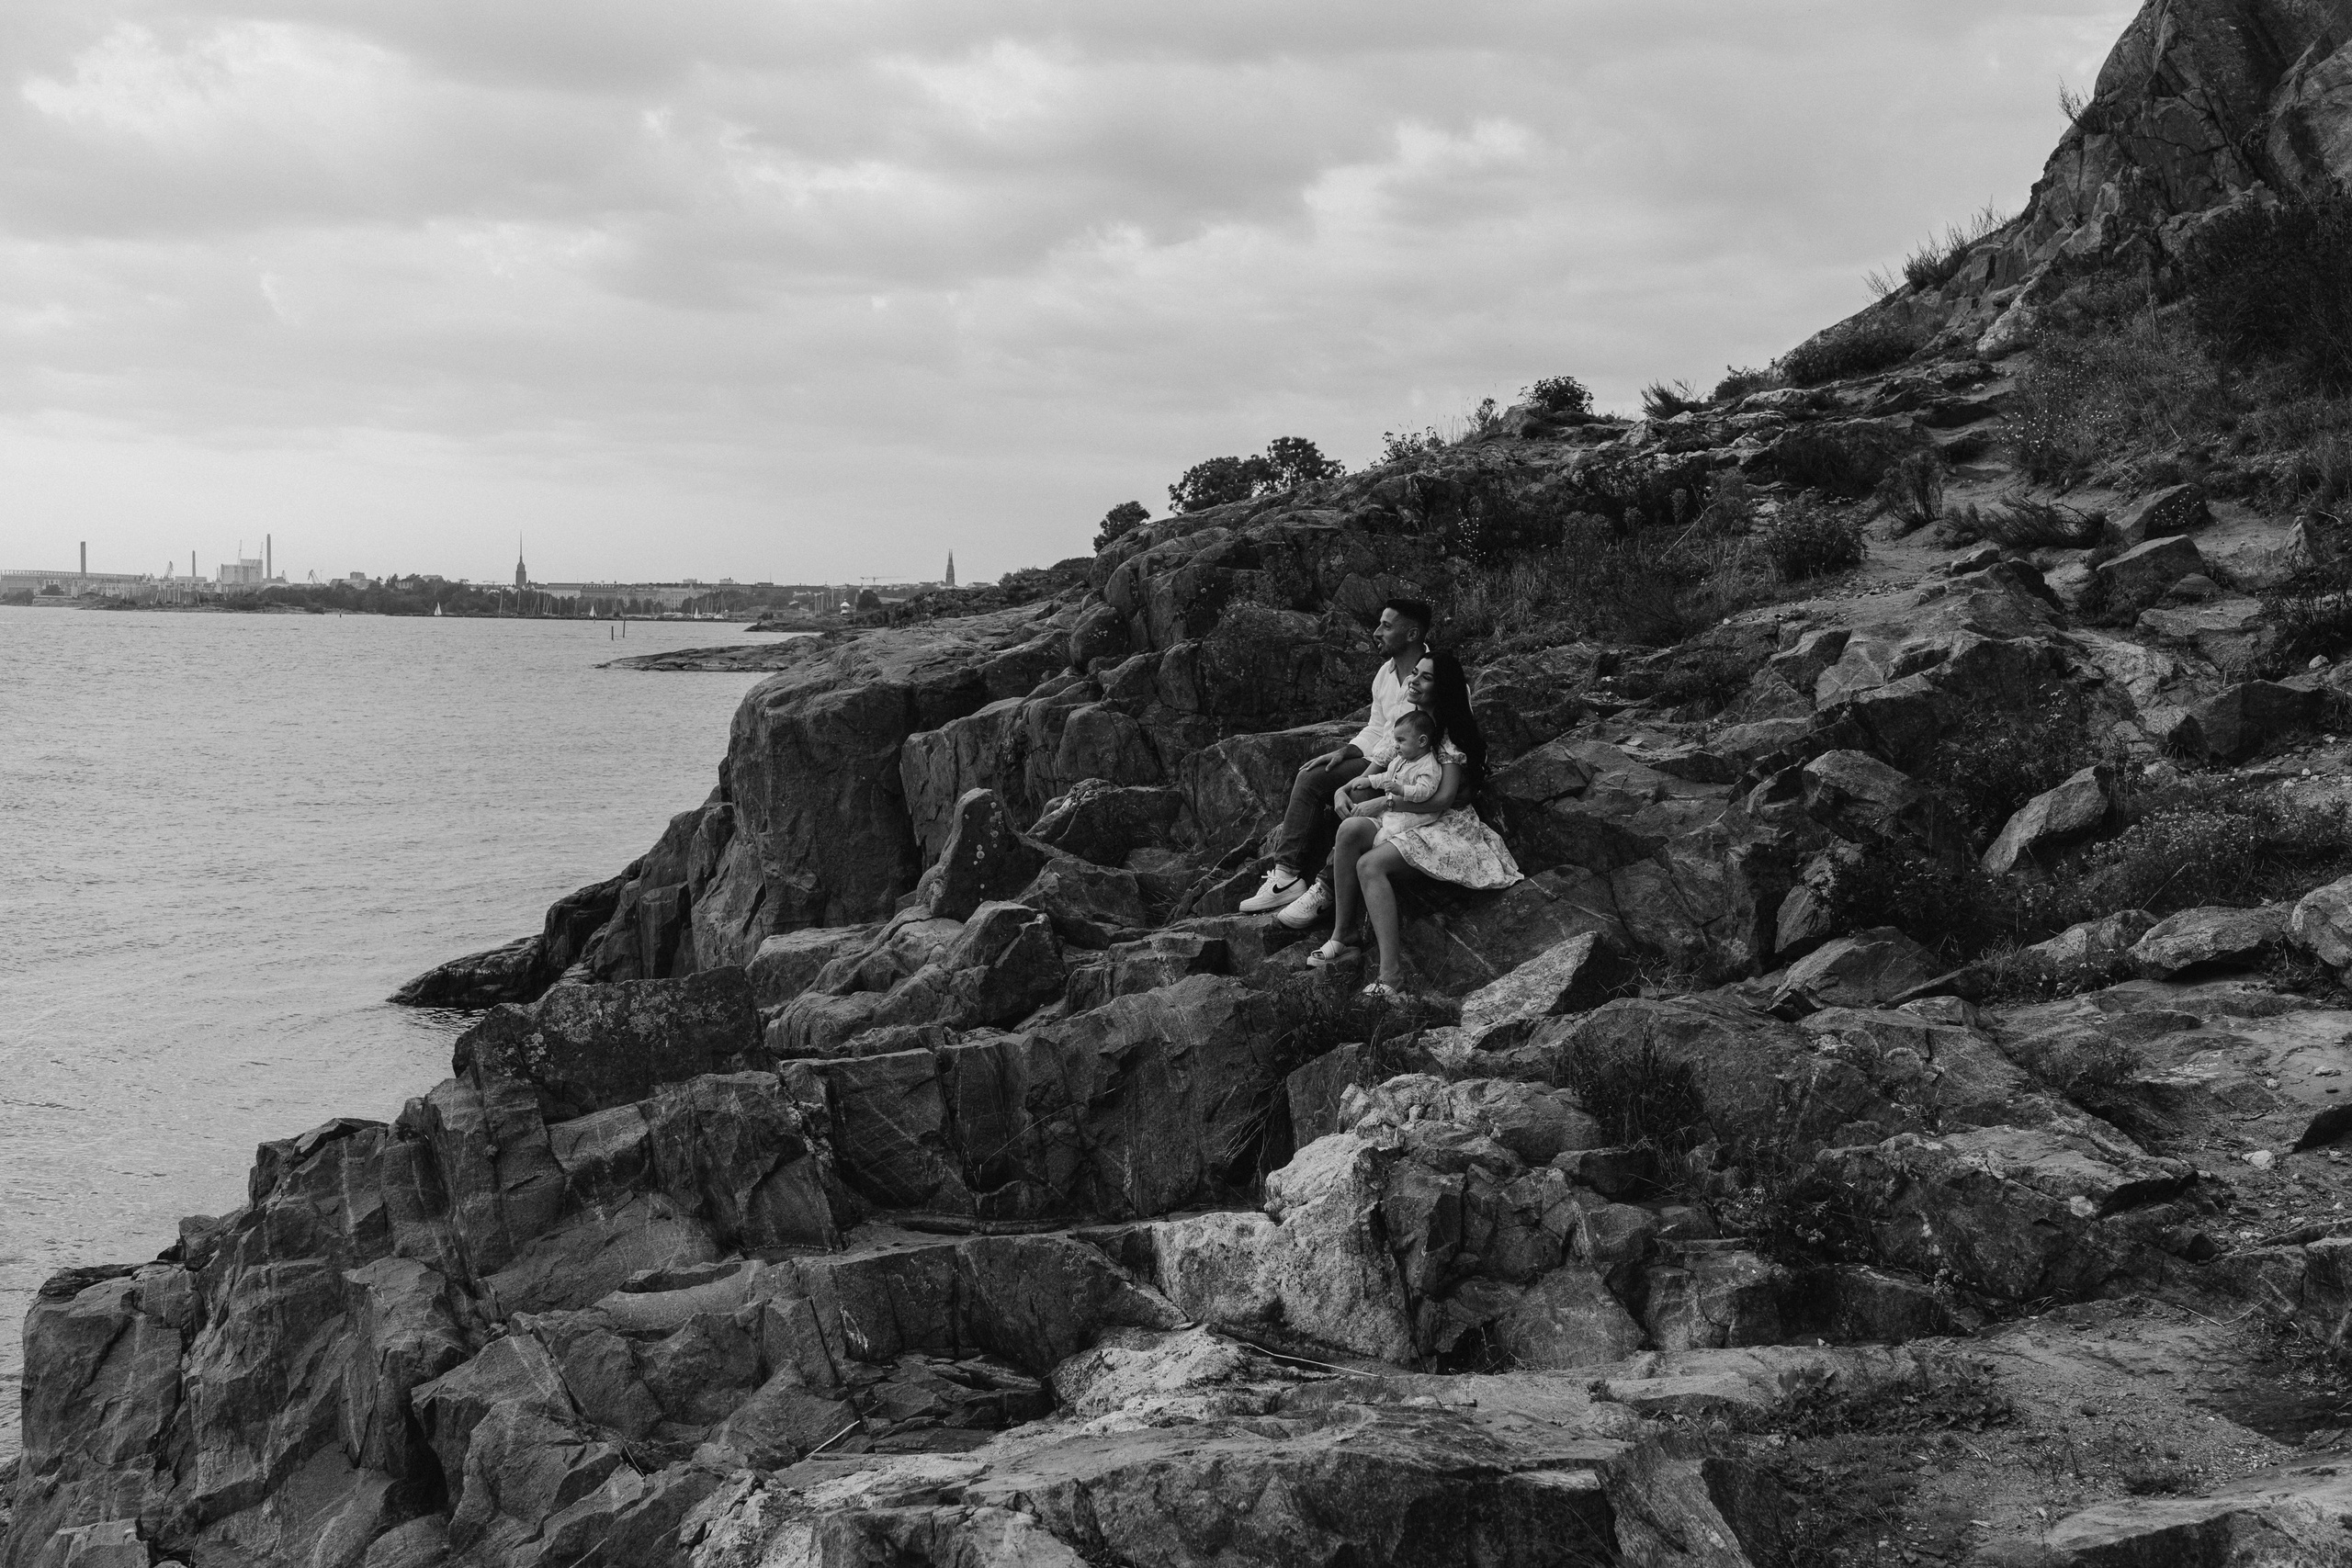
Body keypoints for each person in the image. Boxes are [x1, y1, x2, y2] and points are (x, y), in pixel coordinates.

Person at [1312, 649, 1522, 997]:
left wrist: (1386, 800)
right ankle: (1343, 934)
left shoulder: (1447, 735)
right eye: (1415, 674)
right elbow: (1371, 774)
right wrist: (1344, 789)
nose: (1413, 681)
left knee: (1370, 865)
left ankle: (1390, 975)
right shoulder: (1410, 725)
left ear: (1444, 689)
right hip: (1405, 816)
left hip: (1441, 823)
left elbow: (1441, 799)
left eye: (1425, 677)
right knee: (1348, 829)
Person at [1236, 598, 1431, 926]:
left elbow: (1421, 740)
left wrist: (1359, 779)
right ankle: (1285, 877)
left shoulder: (1429, 673)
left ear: (1411, 633)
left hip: (1409, 769)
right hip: (1378, 760)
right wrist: (1346, 751)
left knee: (1357, 797)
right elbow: (1375, 727)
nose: (1375, 632)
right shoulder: (1386, 672)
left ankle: (1325, 890)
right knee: (1312, 775)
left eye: (1386, 626)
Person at [1345, 711, 1443, 824]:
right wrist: (1370, 781)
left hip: (1414, 813)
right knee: (1359, 814)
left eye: (1401, 740)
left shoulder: (1428, 766)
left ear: (1422, 741)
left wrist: (1401, 790)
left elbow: (1425, 791)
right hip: (1396, 809)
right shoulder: (1402, 759)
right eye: (1396, 740)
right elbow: (1389, 777)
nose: (1396, 745)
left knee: (1385, 832)